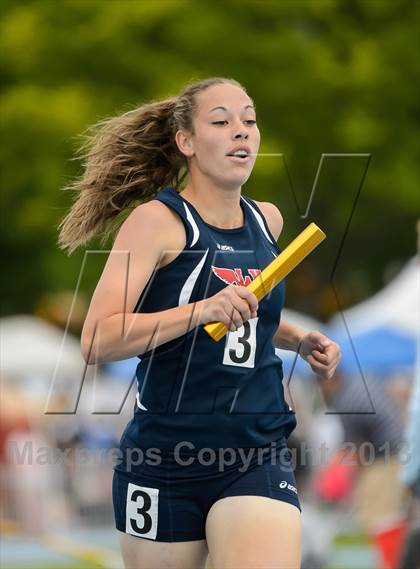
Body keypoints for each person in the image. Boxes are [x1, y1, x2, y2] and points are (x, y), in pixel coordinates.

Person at [58, 77, 340, 569]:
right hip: (164, 459)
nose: (242, 132)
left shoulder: (266, 221)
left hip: (257, 451)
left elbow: (245, 315)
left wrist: (298, 339)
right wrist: (201, 310)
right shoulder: (155, 222)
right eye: (222, 121)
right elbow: (96, 339)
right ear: (186, 142)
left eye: (249, 120)